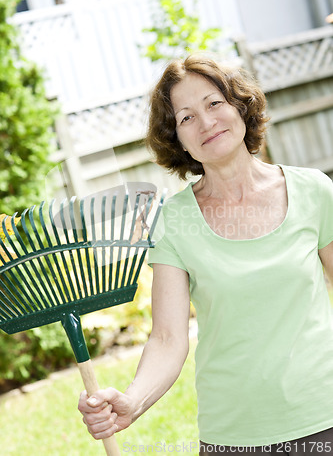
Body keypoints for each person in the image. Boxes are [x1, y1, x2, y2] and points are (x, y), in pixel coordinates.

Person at [78, 54, 333, 455]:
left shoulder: (314, 191)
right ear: (177, 139)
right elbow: (167, 338)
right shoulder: (174, 221)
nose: (206, 122)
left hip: (325, 414)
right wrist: (133, 401)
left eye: (214, 103)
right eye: (186, 117)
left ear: (240, 106)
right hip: (235, 434)